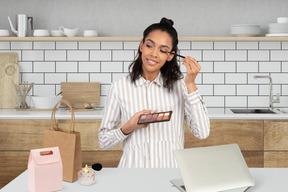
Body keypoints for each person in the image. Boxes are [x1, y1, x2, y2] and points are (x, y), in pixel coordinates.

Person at [98, 17, 210, 168]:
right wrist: (128, 127)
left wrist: (191, 84)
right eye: (150, 45)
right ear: (141, 46)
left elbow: (202, 132)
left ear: (170, 55)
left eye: (163, 50)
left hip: (169, 175)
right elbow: (103, 141)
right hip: (132, 174)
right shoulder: (119, 87)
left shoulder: (181, 87)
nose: (154, 54)